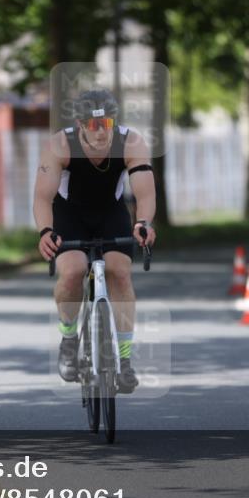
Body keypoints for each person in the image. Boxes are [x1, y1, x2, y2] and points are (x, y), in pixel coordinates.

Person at [33, 89, 156, 393]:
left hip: (109, 213)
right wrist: (46, 231)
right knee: (73, 271)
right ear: (79, 124)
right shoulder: (61, 145)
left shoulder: (131, 142)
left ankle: (124, 361)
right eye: (93, 125)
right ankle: (69, 338)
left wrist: (143, 223)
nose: (101, 133)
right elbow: (42, 197)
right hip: (69, 214)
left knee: (121, 272)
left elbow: (145, 192)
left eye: (108, 124)